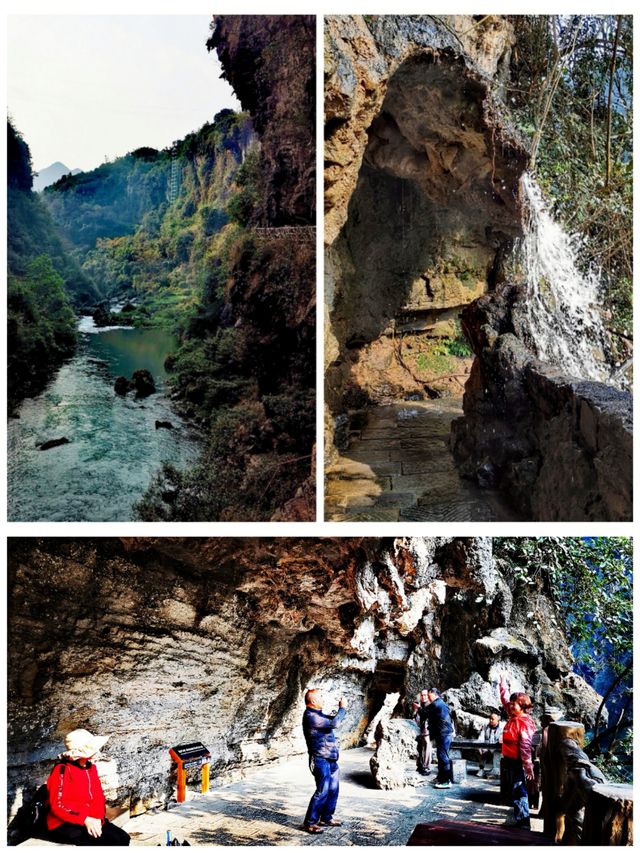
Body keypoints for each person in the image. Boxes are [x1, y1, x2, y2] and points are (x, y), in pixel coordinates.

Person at [44, 728, 130, 846]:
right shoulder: (62, 770)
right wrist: (85, 819)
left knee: (123, 838)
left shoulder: (90, 768)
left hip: (90, 819)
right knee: (111, 841)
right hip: (65, 822)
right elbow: (57, 805)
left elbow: (97, 796)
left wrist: (99, 819)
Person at [302, 689, 347, 834]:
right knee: (323, 790)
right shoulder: (310, 716)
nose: (323, 699)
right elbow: (335, 723)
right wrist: (342, 708)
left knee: (333, 789)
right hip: (319, 759)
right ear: (313, 701)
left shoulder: (318, 714)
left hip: (331, 759)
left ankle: (326, 817)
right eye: (321, 697)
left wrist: (340, 711)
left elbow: (332, 720)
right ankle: (310, 822)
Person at [499, 674, 536, 829]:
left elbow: (526, 747)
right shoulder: (514, 716)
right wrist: (502, 685)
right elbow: (505, 700)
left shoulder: (523, 722)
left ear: (523, 707)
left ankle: (523, 822)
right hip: (510, 759)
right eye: (512, 703)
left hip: (518, 761)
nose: (511, 705)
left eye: (515, 704)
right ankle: (520, 818)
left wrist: (528, 767)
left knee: (518, 788)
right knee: (515, 788)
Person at [423, 688, 454, 789]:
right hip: (444, 733)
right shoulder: (441, 703)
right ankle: (441, 777)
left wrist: (418, 708)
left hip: (444, 734)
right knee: (441, 756)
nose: (427, 697)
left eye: (429, 694)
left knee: (443, 757)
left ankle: (446, 781)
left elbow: (424, 713)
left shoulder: (436, 704)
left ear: (434, 694)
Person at [476, 711, 504, 778]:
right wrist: (479, 746)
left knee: (498, 752)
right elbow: (481, 736)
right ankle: (481, 769)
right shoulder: (486, 725)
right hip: (488, 747)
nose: (491, 720)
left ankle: (496, 770)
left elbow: (503, 737)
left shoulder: (502, 726)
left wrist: (502, 737)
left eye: (493, 719)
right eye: (490, 719)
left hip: (498, 748)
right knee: (479, 751)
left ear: (498, 720)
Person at [412, 690, 432, 776]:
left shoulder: (430, 705)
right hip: (420, 730)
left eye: (425, 695)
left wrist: (418, 709)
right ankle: (420, 765)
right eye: (422, 695)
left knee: (427, 749)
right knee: (420, 749)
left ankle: (426, 767)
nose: (423, 697)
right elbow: (415, 716)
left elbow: (426, 716)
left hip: (427, 731)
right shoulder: (421, 704)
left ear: (428, 696)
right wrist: (415, 710)